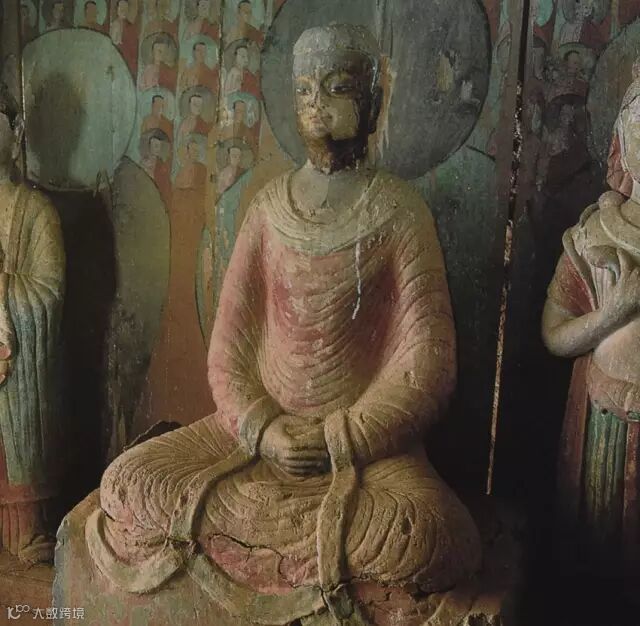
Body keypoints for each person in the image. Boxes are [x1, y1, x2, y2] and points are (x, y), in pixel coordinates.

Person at [84, 24, 481, 625]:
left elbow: (427, 365)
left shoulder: (399, 212)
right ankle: (275, 544)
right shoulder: (270, 209)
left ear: (372, 100)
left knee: (428, 536)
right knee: (127, 480)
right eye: (303, 90)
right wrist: (265, 429)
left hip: (364, 456)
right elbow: (228, 350)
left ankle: (257, 544)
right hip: (251, 442)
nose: (317, 104)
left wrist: (343, 437)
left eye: (336, 87)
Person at [543, 60, 640, 579]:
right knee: (600, 557)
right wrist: (611, 315)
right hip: (605, 421)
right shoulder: (594, 235)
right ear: (622, 137)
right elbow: (555, 335)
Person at [0, 85, 65, 565]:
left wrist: (2, 287)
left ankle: (23, 530)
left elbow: (48, 293)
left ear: (16, 132)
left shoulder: (38, 211)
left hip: (16, 375)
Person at [110, 0, 139, 76]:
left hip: (128, 63)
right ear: (117, 9)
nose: (123, 10)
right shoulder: (114, 25)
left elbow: (134, 49)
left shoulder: (131, 27)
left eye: (125, 8)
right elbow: (112, 44)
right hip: (116, 61)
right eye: (121, 8)